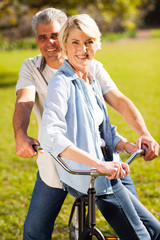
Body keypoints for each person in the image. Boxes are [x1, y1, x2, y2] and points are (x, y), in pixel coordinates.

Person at [12, 8, 159, 240]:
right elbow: (24, 101)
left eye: (54, 35)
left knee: (144, 227)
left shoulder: (90, 71)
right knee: (35, 231)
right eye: (42, 37)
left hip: (102, 163)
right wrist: (20, 134)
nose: (50, 42)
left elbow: (116, 104)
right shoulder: (41, 72)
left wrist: (139, 137)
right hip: (60, 161)